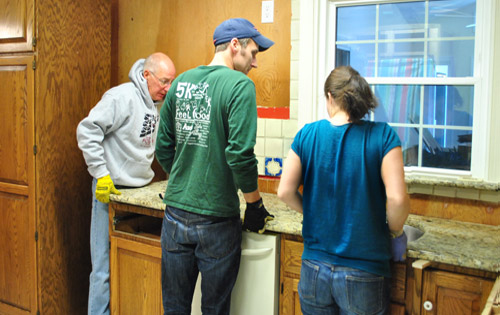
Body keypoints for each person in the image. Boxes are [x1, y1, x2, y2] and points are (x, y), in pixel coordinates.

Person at [155, 18, 274, 315]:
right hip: (217, 221)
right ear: (235, 45)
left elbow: (163, 148)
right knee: (215, 310)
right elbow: (240, 154)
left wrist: (186, 175)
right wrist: (254, 204)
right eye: (254, 53)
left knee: (174, 309)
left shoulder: (180, 82)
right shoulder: (240, 86)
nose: (255, 63)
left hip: (174, 216)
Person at [277, 65, 410, 315]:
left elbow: (284, 191)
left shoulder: (308, 134)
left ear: (330, 97)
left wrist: (311, 211)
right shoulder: (383, 136)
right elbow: (397, 198)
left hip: (314, 268)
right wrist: (396, 232)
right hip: (365, 270)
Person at [76, 52, 176, 315]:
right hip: (110, 191)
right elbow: (87, 130)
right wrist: (101, 173)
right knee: (102, 269)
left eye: (171, 82)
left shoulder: (155, 103)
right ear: (146, 75)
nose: (168, 88)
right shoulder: (120, 97)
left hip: (138, 192)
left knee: (126, 265)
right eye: (164, 81)